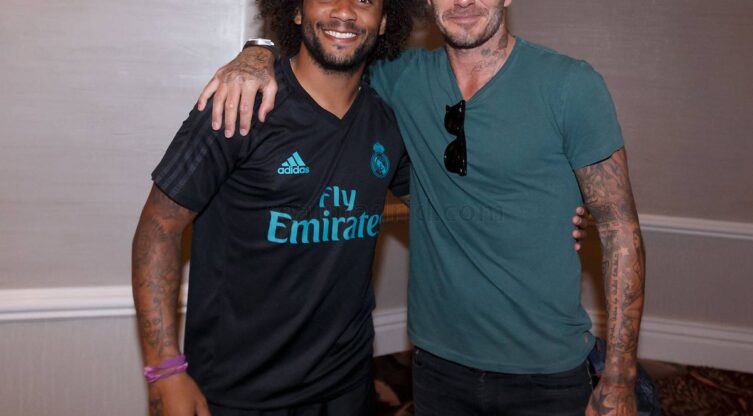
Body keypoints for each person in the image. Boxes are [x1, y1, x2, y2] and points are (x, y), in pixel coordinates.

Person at [199, 0, 646, 415]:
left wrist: (620, 379)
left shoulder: (570, 84)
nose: (464, 1)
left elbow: (620, 229)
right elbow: (329, 45)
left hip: (546, 371)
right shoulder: (399, 75)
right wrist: (258, 51)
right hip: (437, 367)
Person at [131, 0, 426, 415]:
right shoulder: (240, 104)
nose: (344, 11)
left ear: (384, 22)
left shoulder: (387, 121)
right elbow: (159, 227)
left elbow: (440, 207)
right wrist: (164, 369)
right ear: (296, 11)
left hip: (347, 386)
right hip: (238, 392)